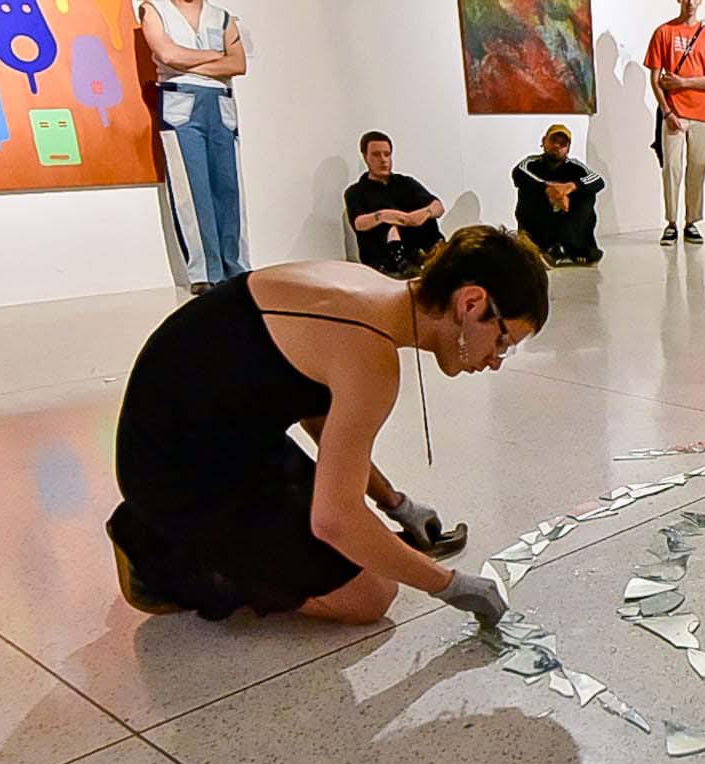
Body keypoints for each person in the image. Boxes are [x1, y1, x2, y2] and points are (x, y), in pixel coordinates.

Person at [106, 225, 547, 626]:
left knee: (370, 550)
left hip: (219, 437)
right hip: (172, 472)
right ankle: (160, 557)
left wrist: (394, 503)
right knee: (370, 595)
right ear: (471, 302)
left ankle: (184, 533)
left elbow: (315, 409)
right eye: (503, 340)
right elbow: (334, 519)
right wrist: (451, 585)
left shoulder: (366, 286)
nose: (494, 360)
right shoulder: (370, 356)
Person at [138, 0, 249, 296]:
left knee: (228, 187)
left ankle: (234, 266)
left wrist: (189, 61)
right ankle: (204, 271)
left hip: (220, 103)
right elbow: (167, 54)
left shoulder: (222, 17)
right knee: (191, 187)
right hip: (180, 101)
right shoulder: (154, 9)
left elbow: (238, 64)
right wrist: (215, 57)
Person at [646, 0, 705, 246]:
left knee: (698, 168)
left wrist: (683, 83)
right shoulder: (664, 32)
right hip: (674, 113)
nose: (691, 2)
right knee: (671, 168)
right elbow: (655, 77)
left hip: (702, 113)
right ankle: (671, 222)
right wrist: (668, 112)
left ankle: (691, 221)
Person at [345, 131, 446, 279]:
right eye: (376, 155)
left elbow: (438, 206)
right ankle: (401, 262)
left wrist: (421, 215)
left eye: (387, 154)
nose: (383, 160)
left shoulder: (406, 183)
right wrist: (386, 216)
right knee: (386, 224)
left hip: (421, 249)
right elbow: (359, 223)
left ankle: (433, 256)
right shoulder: (356, 192)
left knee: (425, 214)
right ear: (365, 157)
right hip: (383, 258)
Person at [512, 124, 606, 267]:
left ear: (568, 149)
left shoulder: (575, 167)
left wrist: (569, 188)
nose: (557, 146)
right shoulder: (530, 163)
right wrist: (549, 191)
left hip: (567, 227)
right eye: (553, 141)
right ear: (544, 142)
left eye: (562, 143)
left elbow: (597, 181)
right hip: (540, 227)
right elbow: (518, 174)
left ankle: (569, 246)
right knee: (529, 191)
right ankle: (545, 248)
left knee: (586, 194)